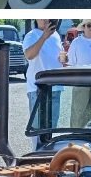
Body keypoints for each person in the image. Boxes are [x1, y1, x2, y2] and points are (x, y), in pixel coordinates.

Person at [22, 20, 63, 151]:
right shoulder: (31, 35)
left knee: (51, 128)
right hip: (38, 88)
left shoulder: (56, 35)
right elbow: (29, 55)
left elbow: (58, 57)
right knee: (37, 129)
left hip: (55, 87)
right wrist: (44, 37)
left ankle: (48, 156)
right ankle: (36, 156)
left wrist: (64, 58)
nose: (45, 19)